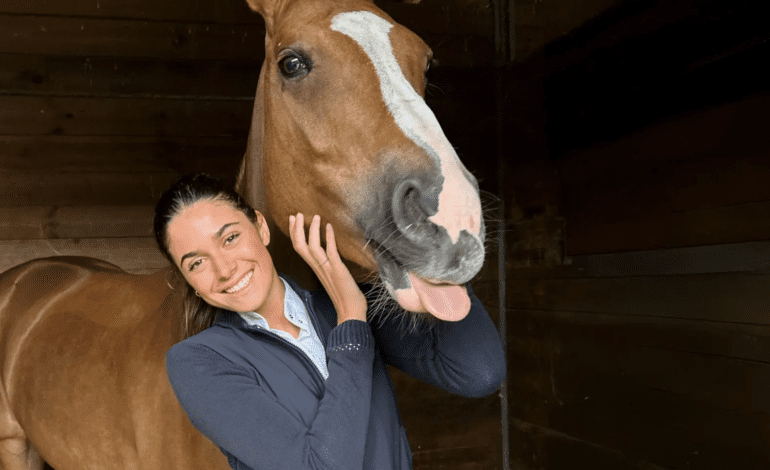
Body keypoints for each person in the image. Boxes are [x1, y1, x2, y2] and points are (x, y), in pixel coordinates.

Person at [153, 173, 506, 470]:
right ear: (187, 281)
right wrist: (351, 322)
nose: (224, 269)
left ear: (260, 227)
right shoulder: (198, 361)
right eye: (196, 263)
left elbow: (479, 371)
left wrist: (432, 251)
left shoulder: (339, 299)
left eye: (230, 238)